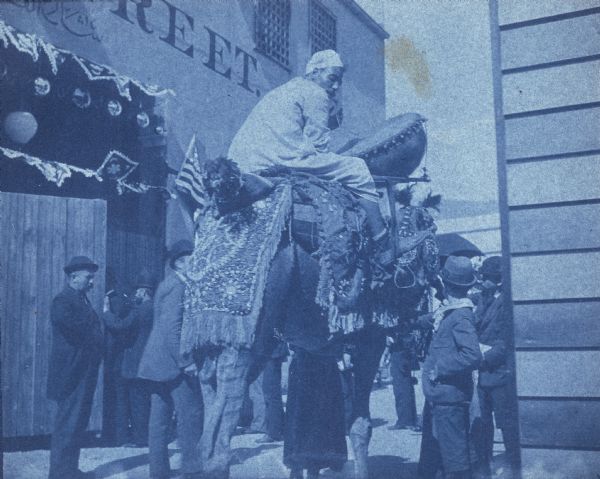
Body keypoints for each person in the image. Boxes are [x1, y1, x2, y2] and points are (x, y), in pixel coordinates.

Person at [228, 49, 394, 269]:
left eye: (339, 82)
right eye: (332, 78)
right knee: (357, 168)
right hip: (279, 159)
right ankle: (382, 239)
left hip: (246, 161)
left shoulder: (287, 88)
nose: (335, 87)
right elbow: (318, 147)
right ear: (315, 73)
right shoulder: (316, 93)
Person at [138, 241, 203, 479]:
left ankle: (158, 471)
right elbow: (172, 329)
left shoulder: (167, 284)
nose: (195, 263)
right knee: (190, 415)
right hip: (173, 364)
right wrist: (185, 361)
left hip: (155, 362)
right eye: (192, 259)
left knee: (159, 420)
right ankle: (193, 469)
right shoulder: (179, 286)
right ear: (180, 262)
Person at [418, 256, 482, 479]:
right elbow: (432, 319)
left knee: (456, 461)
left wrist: (439, 368)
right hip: (442, 396)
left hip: (450, 399)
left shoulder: (461, 316)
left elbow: (473, 355)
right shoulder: (451, 310)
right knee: (445, 455)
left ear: (447, 284)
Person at [47, 256, 103, 479]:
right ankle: (60, 474)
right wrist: (96, 334)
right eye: (88, 278)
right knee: (67, 426)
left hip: (83, 373)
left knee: (77, 423)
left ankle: (69, 470)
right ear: (73, 278)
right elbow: (71, 326)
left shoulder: (81, 300)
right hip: (71, 374)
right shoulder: (63, 301)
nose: (92, 282)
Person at [472, 256, 521, 479]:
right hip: (481, 374)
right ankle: (485, 466)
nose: (482, 282)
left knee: (506, 423)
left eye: (487, 279)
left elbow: (506, 343)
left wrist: (483, 357)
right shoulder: (483, 298)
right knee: (482, 424)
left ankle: (514, 467)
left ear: (499, 280)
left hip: (499, 372)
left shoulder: (508, 303)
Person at [103, 270, 156, 447]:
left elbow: (119, 326)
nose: (134, 295)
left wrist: (106, 312)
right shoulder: (154, 308)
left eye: (137, 292)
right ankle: (141, 437)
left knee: (136, 401)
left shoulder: (141, 310)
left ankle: (140, 439)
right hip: (147, 362)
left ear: (142, 291)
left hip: (134, 363)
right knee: (141, 400)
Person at [387, 331, 420, 431]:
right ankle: (410, 420)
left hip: (400, 364)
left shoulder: (399, 346)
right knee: (407, 392)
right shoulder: (405, 342)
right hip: (402, 362)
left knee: (401, 393)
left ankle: (404, 421)